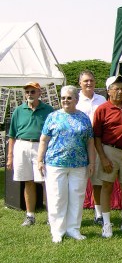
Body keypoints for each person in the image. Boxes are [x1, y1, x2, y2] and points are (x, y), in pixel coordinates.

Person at [37, 85, 95, 243]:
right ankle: (57, 231)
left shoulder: (84, 117)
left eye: (69, 97)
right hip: (56, 163)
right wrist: (40, 160)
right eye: (63, 98)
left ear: (76, 99)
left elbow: (90, 142)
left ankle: (73, 229)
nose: (65, 100)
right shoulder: (53, 117)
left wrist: (91, 162)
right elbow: (43, 140)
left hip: (79, 164)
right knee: (57, 197)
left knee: (76, 197)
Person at [93, 75, 122, 238]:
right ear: (109, 91)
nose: (120, 91)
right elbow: (97, 137)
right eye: (116, 88)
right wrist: (103, 157)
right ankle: (106, 224)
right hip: (108, 151)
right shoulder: (102, 109)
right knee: (106, 187)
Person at [7, 82, 54, 226]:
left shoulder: (48, 110)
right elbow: (12, 135)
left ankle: (50, 216)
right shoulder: (18, 110)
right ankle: (30, 215)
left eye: (32, 92)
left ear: (40, 93)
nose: (29, 94)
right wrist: (10, 157)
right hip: (22, 146)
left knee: (46, 182)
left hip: (41, 146)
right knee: (28, 181)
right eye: (27, 92)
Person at [75, 70, 106, 225]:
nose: (89, 83)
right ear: (79, 83)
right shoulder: (75, 100)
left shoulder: (102, 99)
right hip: (79, 146)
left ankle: (98, 214)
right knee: (78, 182)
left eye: (91, 80)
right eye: (85, 81)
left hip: (97, 145)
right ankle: (75, 214)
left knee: (97, 181)